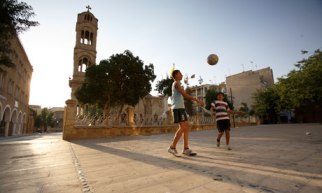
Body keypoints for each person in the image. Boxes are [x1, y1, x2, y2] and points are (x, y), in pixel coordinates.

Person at [168, 69, 204, 156]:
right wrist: (196, 99)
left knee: (186, 127)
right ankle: (172, 147)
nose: (182, 75)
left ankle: (186, 148)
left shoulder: (178, 84)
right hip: (177, 108)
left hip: (181, 108)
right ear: (176, 75)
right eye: (180, 73)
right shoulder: (176, 83)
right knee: (183, 126)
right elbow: (184, 94)